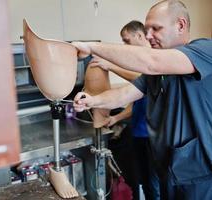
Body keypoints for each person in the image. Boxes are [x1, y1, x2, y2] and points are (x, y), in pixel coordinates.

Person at [72, 0, 212, 199]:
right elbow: (124, 94)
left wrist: (91, 46)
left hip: (200, 173)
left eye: (155, 28)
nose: (148, 36)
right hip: (169, 168)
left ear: (180, 25)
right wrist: (92, 101)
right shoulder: (157, 74)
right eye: (147, 29)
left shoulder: (205, 50)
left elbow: (151, 62)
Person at [93, 20, 160, 200]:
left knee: (154, 186)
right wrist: (116, 118)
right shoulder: (139, 62)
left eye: (126, 41)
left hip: (151, 136)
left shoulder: (155, 59)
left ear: (139, 35)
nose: (125, 45)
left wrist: (111, 66)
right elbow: (134, 100)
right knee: (144, 183)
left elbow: (142, 79)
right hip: (138, 132)